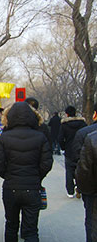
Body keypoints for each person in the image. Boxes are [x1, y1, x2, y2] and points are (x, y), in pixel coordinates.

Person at [0, 102, 53, 242]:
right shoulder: (40, 137)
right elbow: (47, 163)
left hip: (10, 187)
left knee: (11, 226)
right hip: (32, 188)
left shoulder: (4, 137)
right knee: (31, 230)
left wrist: (7, 176)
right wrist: (37, 177)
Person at [73, 103, 97, 241]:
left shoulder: (90, 136)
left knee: (93, 227)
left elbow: (84, 170)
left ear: (94, 114)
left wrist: (85, 191)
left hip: (94, 195)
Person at [58, 105, 87, 198]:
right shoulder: (83, 124)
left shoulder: (64, 125)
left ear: (66, 114)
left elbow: (60, 138)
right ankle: (80, 188)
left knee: (69, 171)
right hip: (81, 150)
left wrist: (63, 147)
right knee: (81, 170)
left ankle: (70, 191)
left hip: (69, 150)